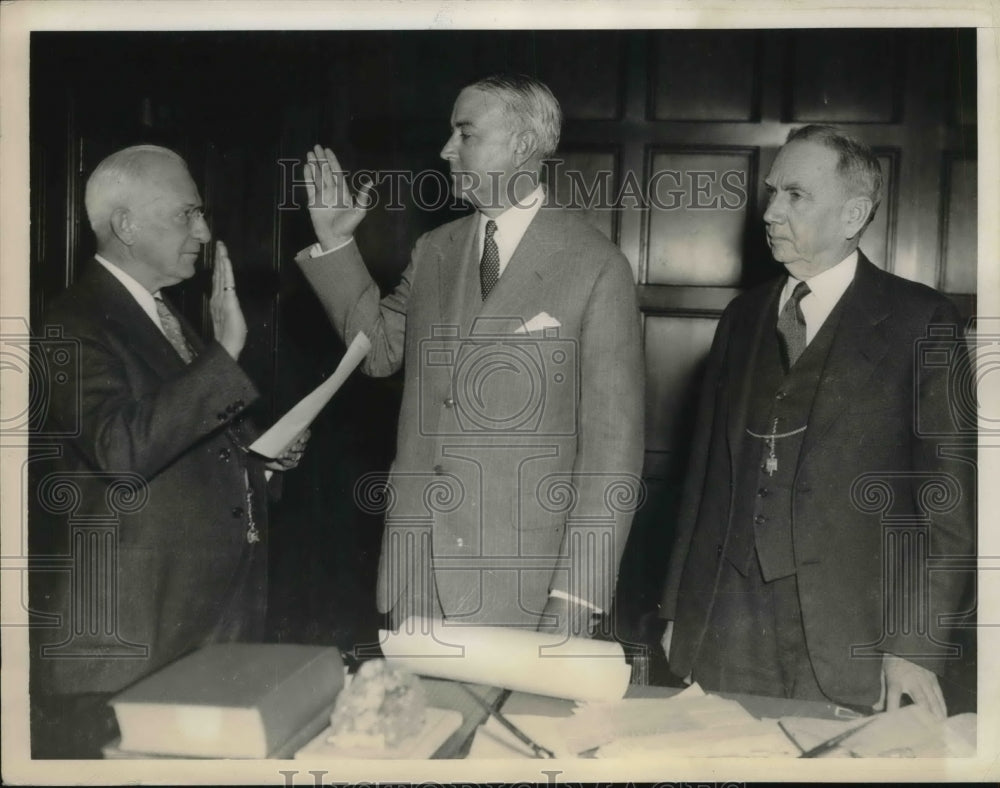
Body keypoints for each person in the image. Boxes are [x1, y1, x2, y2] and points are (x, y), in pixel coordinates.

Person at [297, 74, 644, 636]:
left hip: (523, 583)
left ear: (522, 145)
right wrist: (336, 245)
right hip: (417, 574)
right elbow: (378, 352)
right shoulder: (435, 249)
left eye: (465, 132)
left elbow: (612, 451)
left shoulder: (596, 266)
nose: (445, 150)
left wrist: (578, 592)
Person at [659, 125, 975, 717]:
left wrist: (914, 647)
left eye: (796, 196)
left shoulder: (921, 320)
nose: (772, 212)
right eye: (773, 193)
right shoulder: (740, 318)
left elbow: (948, 507)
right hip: (724, 625)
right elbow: (702, 480)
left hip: (852, 639)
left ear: (853, 214)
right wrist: (681, 607)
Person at [29, 145, 307, 757]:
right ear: (126, 225)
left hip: (203, 625)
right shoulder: (72, 321)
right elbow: (121, 449)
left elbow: (188, 446)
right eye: (188, 214)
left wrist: (263, 457)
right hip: (130, 642)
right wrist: (224, 356)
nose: (204, 232)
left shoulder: (167, 316)